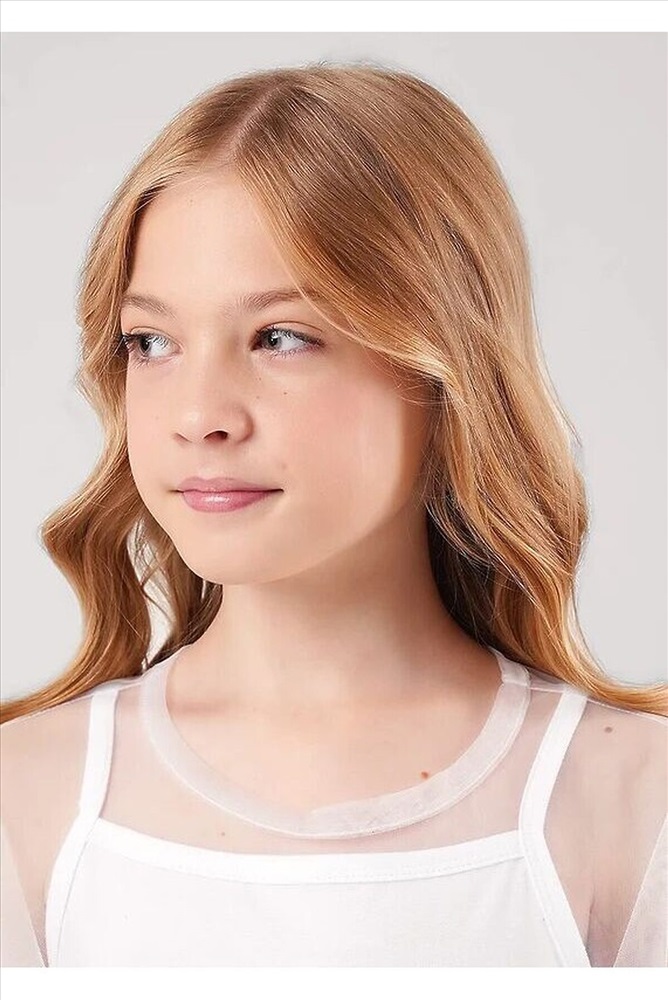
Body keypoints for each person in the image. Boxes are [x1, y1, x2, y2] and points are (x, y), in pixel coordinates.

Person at [1, 63, 666, 969]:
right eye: (151, 342)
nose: (198, 415)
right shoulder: (28, 801)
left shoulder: (629, 801)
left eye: (280, 337)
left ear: (444, 366)